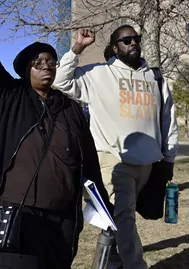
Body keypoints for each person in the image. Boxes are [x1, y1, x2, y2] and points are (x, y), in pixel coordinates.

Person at [0, 0, 111, 269]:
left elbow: (88, 161)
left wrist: (102, 205)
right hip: (18, 216)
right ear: (25, 71)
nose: (46, 67)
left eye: (51, 61)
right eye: (37, 63)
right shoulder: (8, 97)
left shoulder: (71, 108)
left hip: (62, 221)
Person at [53, 26, 179, 269]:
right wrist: (77, 48)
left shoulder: (155, 77)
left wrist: (169, 160)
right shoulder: (98, 74)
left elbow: (168, 120)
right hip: (113, 160)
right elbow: (61, 81)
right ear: (114, 48)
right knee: (124, 218)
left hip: (148, 163)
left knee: (116, 221)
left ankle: (108, 263)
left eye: (136, 39)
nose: (133, 43)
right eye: (126, 40)